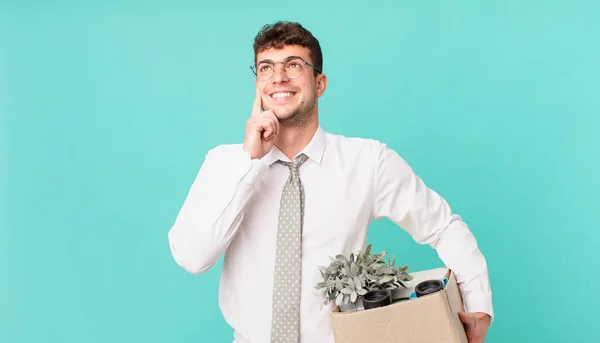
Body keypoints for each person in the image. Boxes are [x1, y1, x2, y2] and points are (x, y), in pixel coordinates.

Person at [168, 21, 493, 343]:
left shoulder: (367, 161)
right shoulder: (225, 163)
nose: (278, 76)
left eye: (293, 65)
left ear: (319, 83)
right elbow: (192, 257)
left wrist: (478, 303)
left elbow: (442, 226)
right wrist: (250, 165)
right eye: (265, 68)